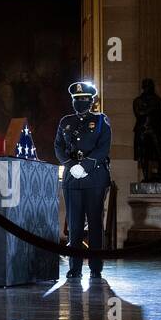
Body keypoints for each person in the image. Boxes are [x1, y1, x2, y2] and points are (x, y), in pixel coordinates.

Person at [55, 80, 112, 280]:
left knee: (95, 224)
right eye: (77, 100)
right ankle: (75, 267)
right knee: (74, 225)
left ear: (91, 101)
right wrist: (72, 166)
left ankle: (96, 267)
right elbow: (59, 147)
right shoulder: (66, 121)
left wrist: (85, 165)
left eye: (84, 100)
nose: (80, 103)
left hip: (94, 176)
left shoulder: (100, 121)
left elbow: (103, 147)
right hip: (72, 178)